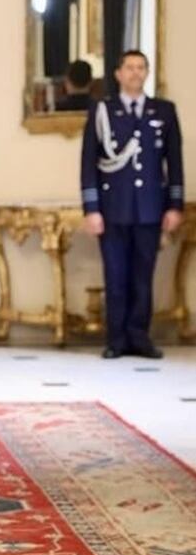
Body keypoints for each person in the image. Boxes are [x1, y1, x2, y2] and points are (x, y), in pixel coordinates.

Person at [81, 49, 185, 359]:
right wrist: (91, 208)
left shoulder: (163, 111)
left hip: (150, 209)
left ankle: (139, 337)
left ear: (147, 72)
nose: (135, 73)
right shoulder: (103, 111)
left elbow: (174, 162)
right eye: (130, 67)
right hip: (113, 208)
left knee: (143, 276)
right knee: (115, 277)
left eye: (141, 67)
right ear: (118, 73)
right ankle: (116, 340)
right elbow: (89, 162)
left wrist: (175, 205)